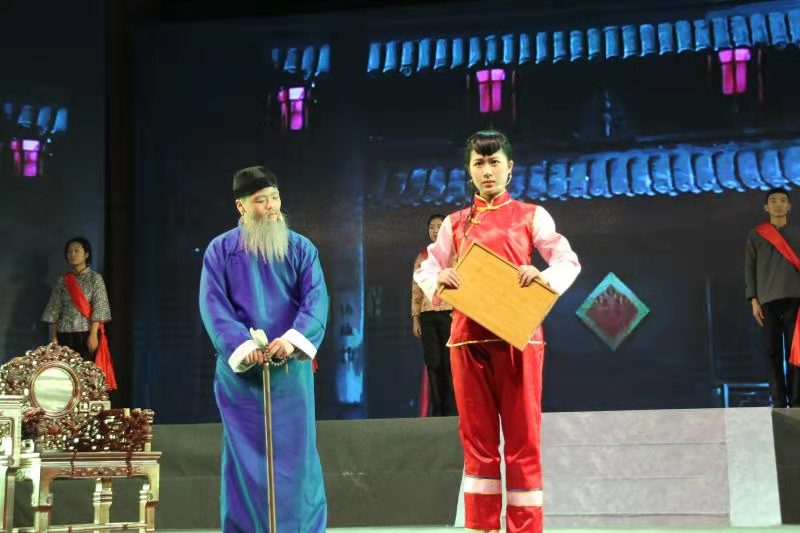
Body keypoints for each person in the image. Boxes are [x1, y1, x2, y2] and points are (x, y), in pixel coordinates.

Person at [414, 130, 580, 533]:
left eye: (494, 162)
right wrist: (439, 279)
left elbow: (567, 260)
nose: (487, 170)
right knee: (478, 443)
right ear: (469, 170)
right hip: (468, 340)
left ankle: (525, 527)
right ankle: (481, 526)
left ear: (510, 168)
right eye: (479, 163)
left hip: (519, 339)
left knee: (524, 442)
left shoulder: (531, 215)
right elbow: (427, 268)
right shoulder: (454, 223)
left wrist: (540, 276)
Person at [199, 165, 329, 532]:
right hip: (242, 375)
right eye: (260, 200)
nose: (271, 206)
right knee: (243, 456)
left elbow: (316, 300)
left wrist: (291, 340)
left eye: (274, 197)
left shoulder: (301, 248)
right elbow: (213, 305)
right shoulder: (220, 250)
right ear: (241, 206)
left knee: (297, 455)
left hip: (291, 369)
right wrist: (242, 346)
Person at [745, 187, 800, 408]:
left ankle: (797, 402)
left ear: (789, 207)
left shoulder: (798, 233)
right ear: (766, 207)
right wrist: (753, 299)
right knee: (771, 351)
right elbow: (749, 267)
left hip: (796, 299)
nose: (778, 204)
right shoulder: (756, 234)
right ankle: (778, 401)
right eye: (774, 201)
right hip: (767, 301)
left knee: (796, 353)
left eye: (783, 200)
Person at [41, 237, 116, 389]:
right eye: (69, 251)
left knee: (85, 375)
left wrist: (93, 334)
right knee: (65, 374)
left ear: (86, 254)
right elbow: (54, 308)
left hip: (86, 333)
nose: (72, 254)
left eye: (77, 251)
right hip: (64, 333)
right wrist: (54, 336)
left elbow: (99, 307)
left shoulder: (95, 279)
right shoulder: (63, 280)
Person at [412, 214, 457, 416]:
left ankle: (451, 409)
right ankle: (437, 409)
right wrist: (415, 318)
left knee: (450, 362)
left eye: (439, 226)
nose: (435, 230)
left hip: (451, 314)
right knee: (433, 362)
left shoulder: (457, 255)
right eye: (432, 227)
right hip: (428, 315)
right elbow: (416, 290)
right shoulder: (422, 257)